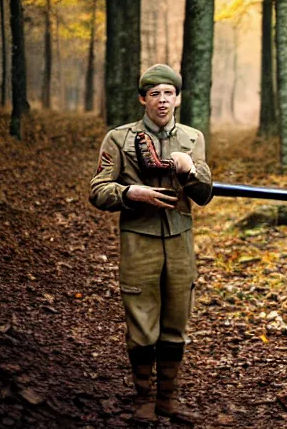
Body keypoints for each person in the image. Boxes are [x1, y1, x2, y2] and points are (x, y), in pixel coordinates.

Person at [89, 64, 213, 425]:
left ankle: (167, 399)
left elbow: (204, 196)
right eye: (155, 94)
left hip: (180, 238)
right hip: (138, 238)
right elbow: (97, 190)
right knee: (142, 321)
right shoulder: (120, 139)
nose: (162, 101)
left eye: (169, 94)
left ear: (178, 98)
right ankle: (142, 398)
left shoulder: (193, 138)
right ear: (143, 99)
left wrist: (191, 171)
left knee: (177, 320)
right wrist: (131, 192)